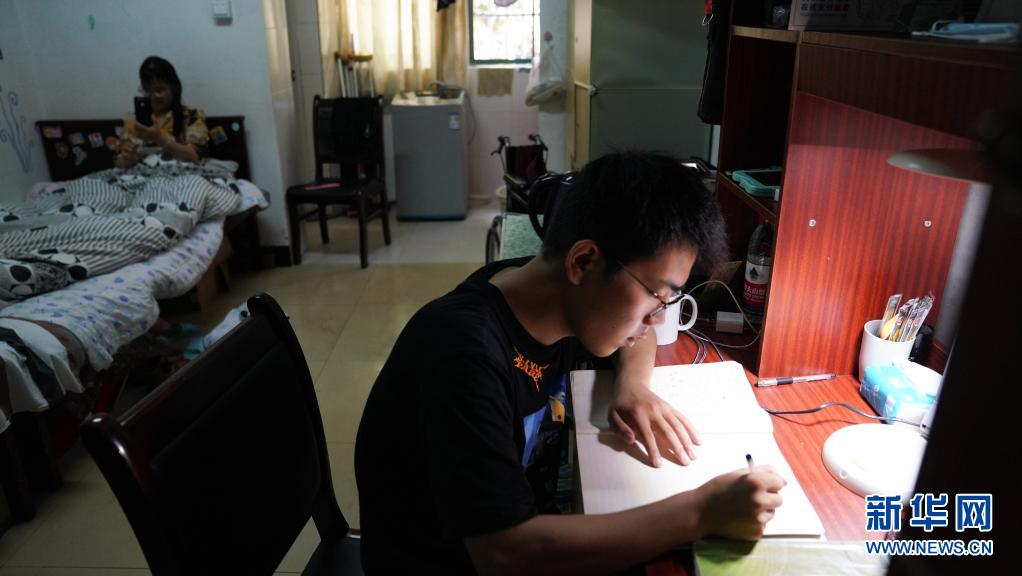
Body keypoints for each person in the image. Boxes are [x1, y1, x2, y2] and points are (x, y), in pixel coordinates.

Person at [354, 152, 787, 575]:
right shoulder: (463, 352)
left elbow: (639, 335)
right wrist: (700, 512)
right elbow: (504, 553)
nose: (657, 319)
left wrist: (633, 385)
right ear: (584, 261)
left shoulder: (543, 292)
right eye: (657, 295)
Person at [114, 56, 209, 168]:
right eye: (147, 90)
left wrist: (159, 137)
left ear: (174, 88)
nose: (153, 96)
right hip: (139, 175)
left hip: (179, 175)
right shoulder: (133, 121)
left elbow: (194, 157)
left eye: (159, 90)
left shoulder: (191, 116)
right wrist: (129, 160)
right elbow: (118, 163)